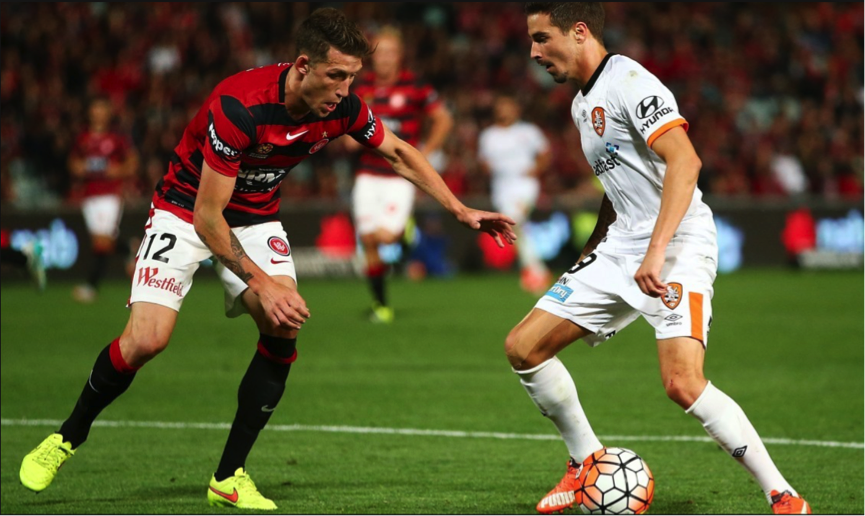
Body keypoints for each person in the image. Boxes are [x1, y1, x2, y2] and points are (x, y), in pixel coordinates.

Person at [19, 8, 515, 511]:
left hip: (256, 218)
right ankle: (66, 437)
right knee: (148, 339)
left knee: (283, 325)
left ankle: (228, 476)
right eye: (336, 76)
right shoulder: (239, 107)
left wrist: (459, 208)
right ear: (303, 65)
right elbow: (209, 219)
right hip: (185, 209)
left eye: (352, 78)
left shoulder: (339, 108)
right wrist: (264, 282)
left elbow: (398, 152)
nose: (345, 90)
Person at [509, 4, 810, 515]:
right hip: (623, 243)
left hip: (678, 242)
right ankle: (585, 462)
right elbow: (618, 189)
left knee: (682, 383)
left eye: (542, 39)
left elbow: (685, 160)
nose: (534, 52)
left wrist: (655, 252)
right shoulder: (583, 104)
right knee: (524, 347)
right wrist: (590, 257)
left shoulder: (629, 79)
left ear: (579, 32)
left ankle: (783, 496)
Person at [344, 26, 454, 323]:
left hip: (399, 176)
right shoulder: (360, 88)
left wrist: (426, 152)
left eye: (391, 52)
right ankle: (381, 306)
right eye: (380, 53)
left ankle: (404, 235)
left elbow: (443, 118)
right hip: (367, 175)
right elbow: (345, 136)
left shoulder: (414, 85)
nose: (385, 59)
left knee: (388, 236)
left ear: (400, 55)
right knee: (368, 240)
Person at [478, 92, 552, 295]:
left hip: (524, 184)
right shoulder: (489, 135)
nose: (504, 110)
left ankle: (536, 272)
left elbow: (545, 153)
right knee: (516, 228)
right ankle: (534, 269)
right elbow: (483, 163)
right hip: (502, 187)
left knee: (515, 223)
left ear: (516, 109)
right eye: (501, 106)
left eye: (508, 106)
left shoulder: (528, 131)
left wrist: (536, 169)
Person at [68, 97, 139, 303]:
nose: (98, 113)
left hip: (109, 194)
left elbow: (132, 163)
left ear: (108, 113)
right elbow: (73, 162)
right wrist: (78, 168)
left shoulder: (117, 139)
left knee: (101, 243)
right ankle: (130, 248)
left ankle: (91, 286)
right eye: (95, 109)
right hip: (89, 194)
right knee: (100, 242)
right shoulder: (82, 138)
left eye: (102, 109)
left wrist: (119, 171)